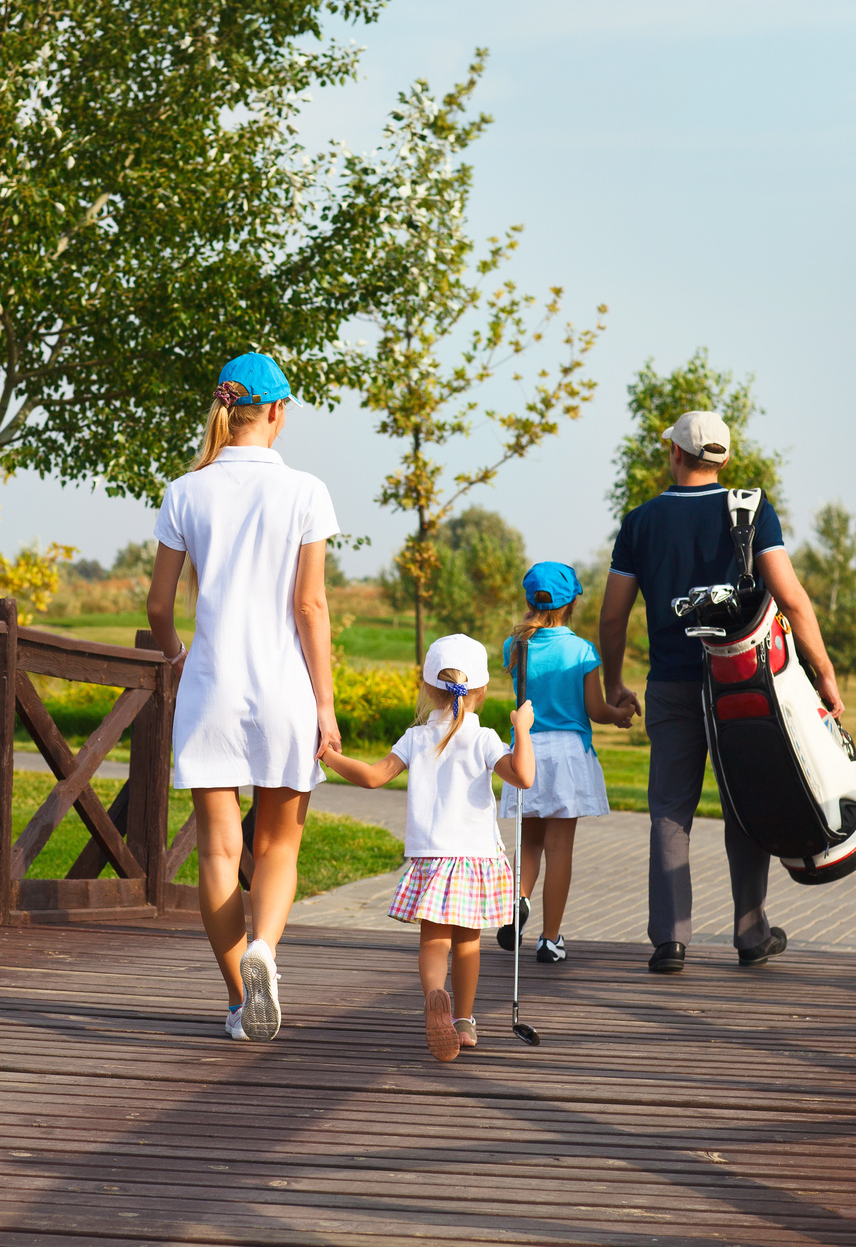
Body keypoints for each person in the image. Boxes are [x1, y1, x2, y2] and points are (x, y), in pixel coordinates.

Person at [599, 410, 845, 974]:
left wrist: (614, 683)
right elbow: (793, 598)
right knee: (745, 800)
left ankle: (670, 941)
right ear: (724, 460)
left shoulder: (639, 522)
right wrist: (822, 669)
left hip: (669, 684)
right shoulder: (752, 510)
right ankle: (751, 931)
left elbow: (613, 619)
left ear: (676, 454)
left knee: (669, 806)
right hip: (742, 683)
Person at [146, 352, 340, 1043]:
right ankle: (267, 951)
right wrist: (325, 703)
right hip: (285, 687)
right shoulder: (306, 491)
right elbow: (310, 604)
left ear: (227, 409)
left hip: (211, 687)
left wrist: (177, 655)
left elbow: (158, 604)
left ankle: (237, 1001)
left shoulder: (185, 491)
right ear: (279, 413)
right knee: (278, 847)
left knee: (218, 853)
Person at [321, 634, 535, 1062]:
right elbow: (524, 776)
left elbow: (372, 777)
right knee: (468, 944)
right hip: (475, 859)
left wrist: (329, 757)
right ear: (481, 691)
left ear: (426, 689)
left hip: (432, 859)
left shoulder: (415, 737)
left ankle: (436, 997)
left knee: (433, 941)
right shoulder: (486, 738)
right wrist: (523, 731)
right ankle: (464, 1021)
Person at [494, 562, 635, 964]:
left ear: (528, 599)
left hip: (527, 749)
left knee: (530, 841)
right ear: (572, 602)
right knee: (559, 849)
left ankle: (519, 900)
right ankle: (549, 939)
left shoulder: (514, 646)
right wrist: (619, 713)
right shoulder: (581, 651)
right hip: (567, 755)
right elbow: (594, 709)